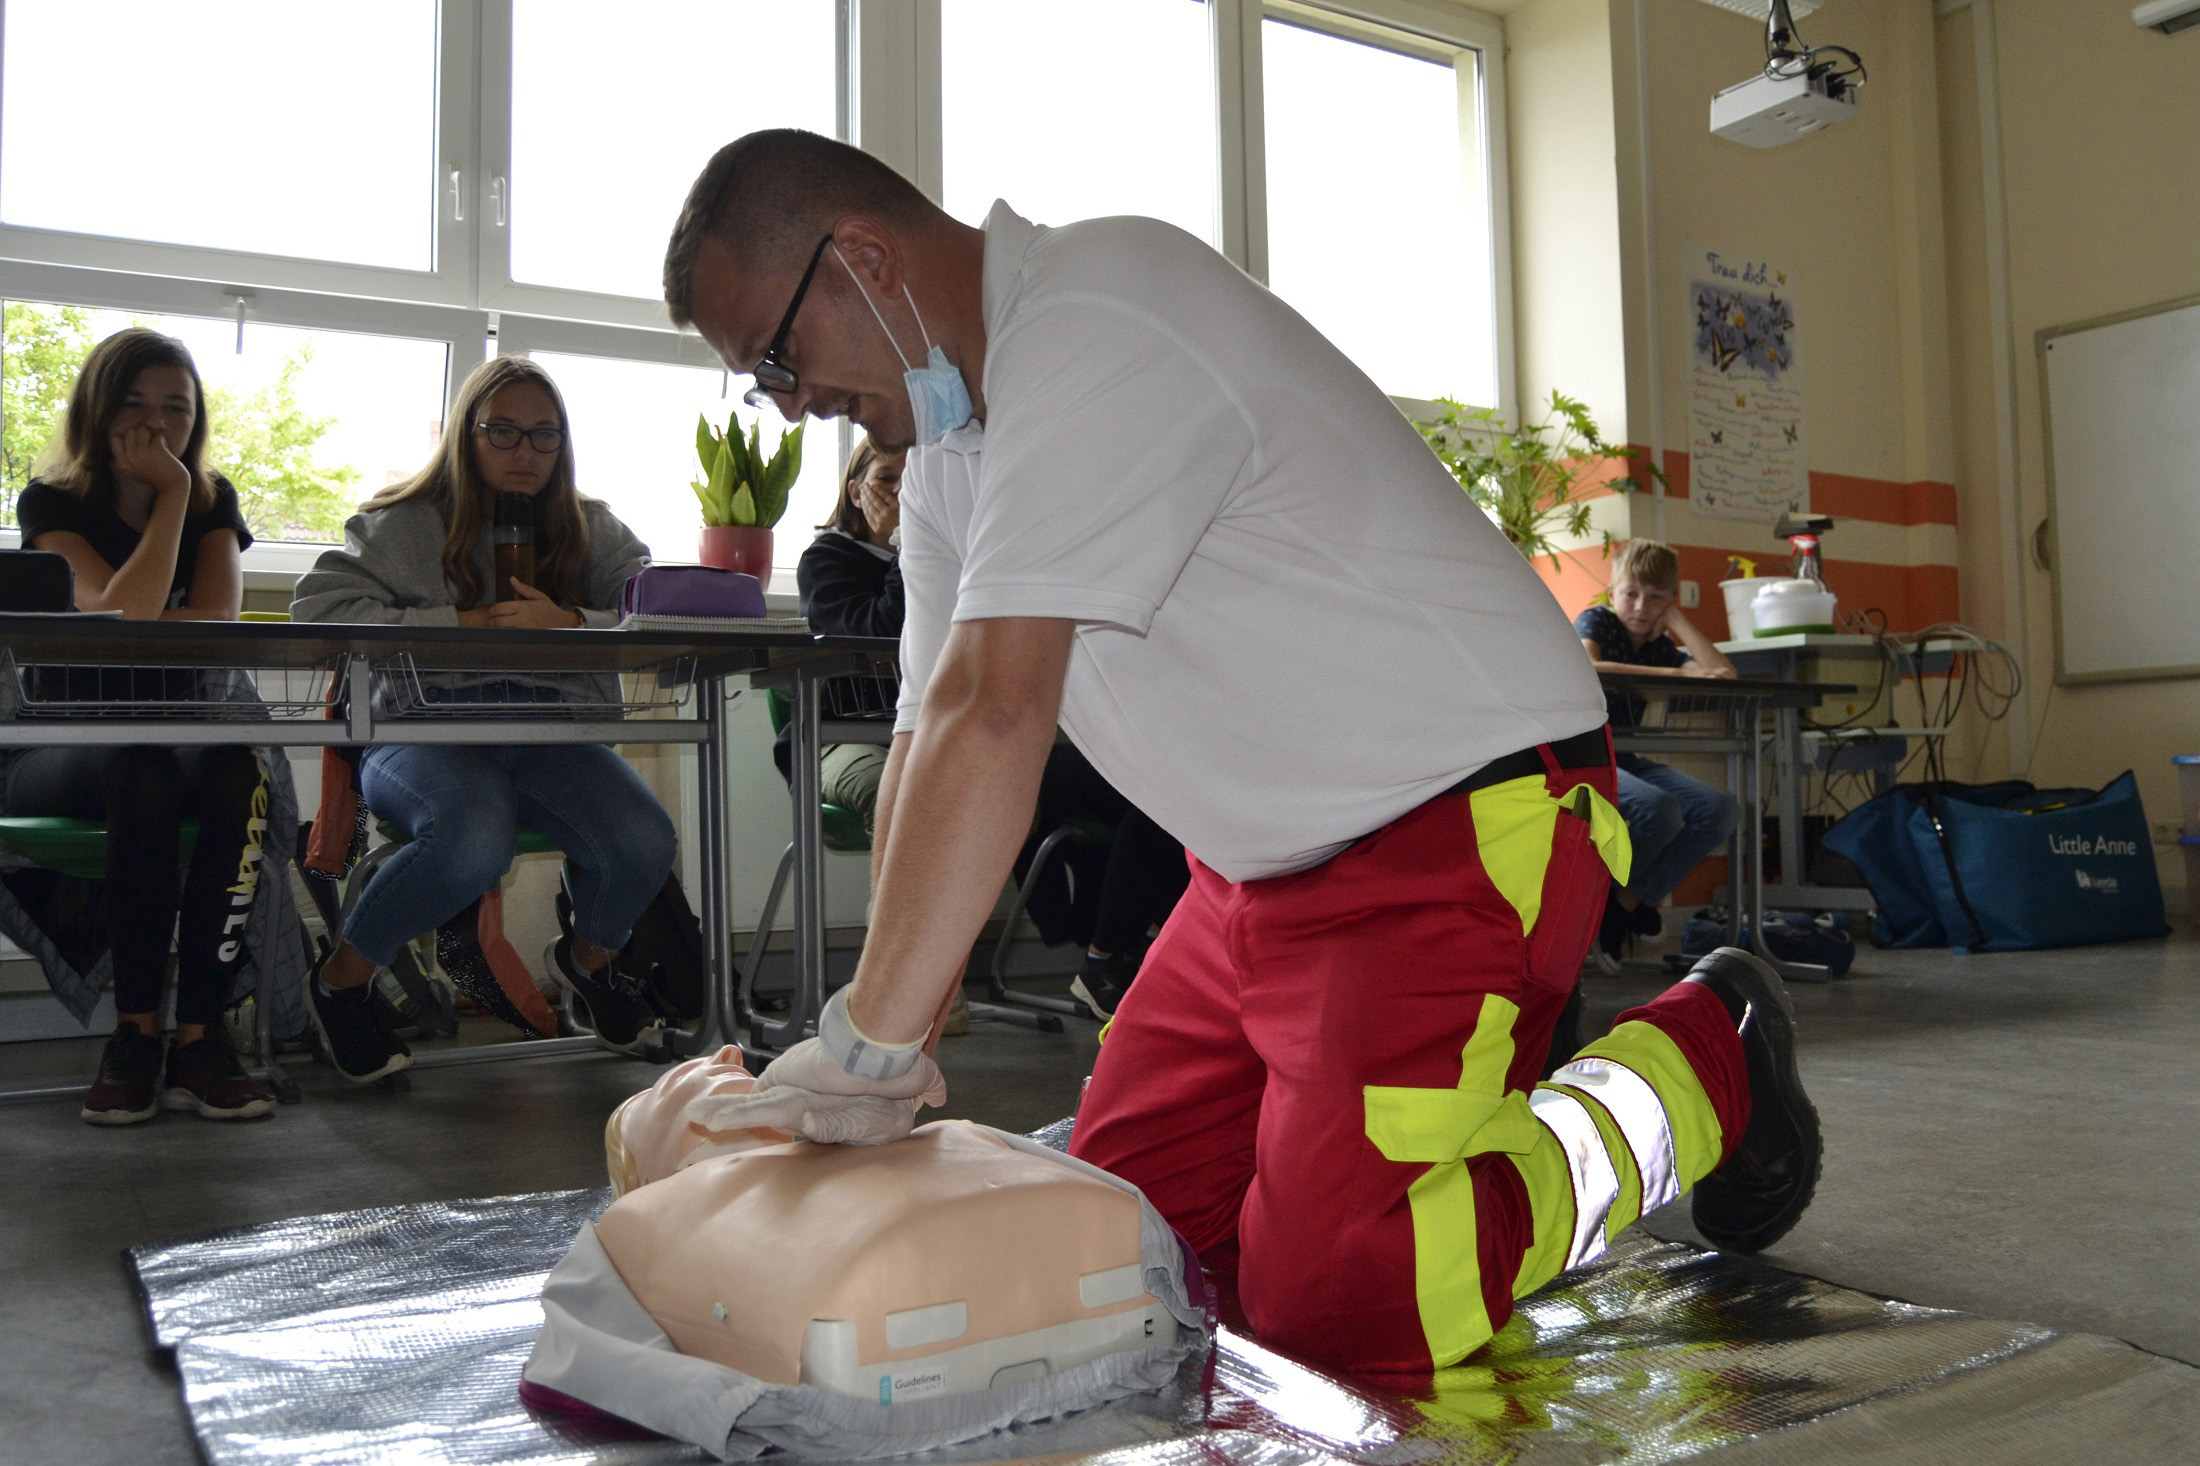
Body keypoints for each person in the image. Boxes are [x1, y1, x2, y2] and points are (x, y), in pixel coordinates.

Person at [661, 130, 1821, 1380]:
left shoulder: (1101, 316)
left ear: (864, 258)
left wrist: (870, 1050)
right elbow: (928, 745)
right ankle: (1396, 1115)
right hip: (1257, 876)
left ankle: (1710, 1047)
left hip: (1464, 827)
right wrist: (883, 1049)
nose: (786, 404)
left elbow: (999, 713)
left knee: (1345, 1303)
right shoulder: (952, 453)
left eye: (776, 359)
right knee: (1126, 1254)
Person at [290, 356, 677, 1081]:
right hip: (423, 731)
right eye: (503, 432)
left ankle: (586, 963)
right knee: (473, 833)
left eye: (544, 435)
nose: (525, 452)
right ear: (466, 435)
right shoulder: (400, 522)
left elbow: (652, 605)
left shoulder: (589, 526)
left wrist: (567, 621)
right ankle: (339, 982)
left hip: (548, 731)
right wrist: (460, 622)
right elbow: (316, 611)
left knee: (643, 839)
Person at [789, 434, 1190, 1023]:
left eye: (910, 479)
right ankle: (912, 983)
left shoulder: (963, 543)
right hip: (849, 736)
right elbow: (886, 634)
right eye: (885, 482)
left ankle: (1107, 954)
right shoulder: (828, 560)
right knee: (921, 800)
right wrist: (908, 543)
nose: (902, 492)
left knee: (1152, 787)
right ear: (855, 493)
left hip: (959, 733)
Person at [5, 328, 276, 1124]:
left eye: (176, 410)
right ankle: (135, 1035)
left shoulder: (213, 497)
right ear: (98, 410)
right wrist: (169, 501)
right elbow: (132, 616)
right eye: (135, 406)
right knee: (142, 769)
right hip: (64, 743)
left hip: (179, 730)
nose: (157, 427)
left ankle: (199, 1038)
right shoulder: (51, 502)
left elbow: (214, 622)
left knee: (240, 771)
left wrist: (184, 500)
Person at [1574, 540, 1741, 959]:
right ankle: (1602, 907)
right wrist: (1667, 671)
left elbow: (1723, 675)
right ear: (1612, 595)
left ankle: (1624, 904)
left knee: (1719, 809)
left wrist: (1678, 623)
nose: (1640, 606)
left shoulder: (1659, 643)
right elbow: (1590, 665)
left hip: (1627, 758)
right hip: (1587, 757)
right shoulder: (1597, 621)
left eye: (1655, 598)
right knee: (1658, 809)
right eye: (1630, 594)